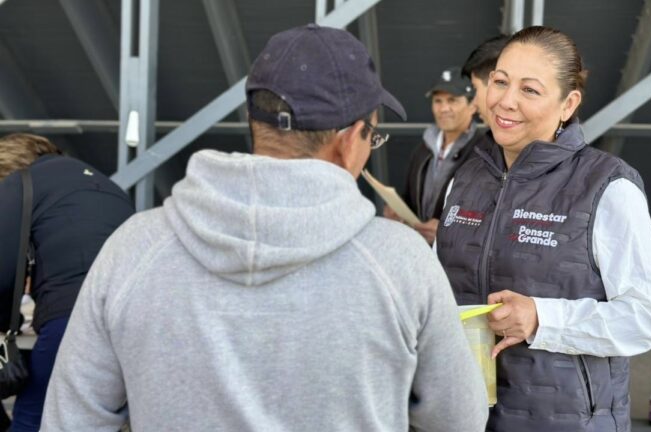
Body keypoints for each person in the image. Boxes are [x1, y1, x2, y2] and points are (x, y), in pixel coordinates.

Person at [41, 24, 488, 432]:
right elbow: (460, 420)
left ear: (256, 121)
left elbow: (70, 420)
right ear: (350, 139)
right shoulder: (401, 263)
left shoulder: (133, 248)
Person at [436, 26, 651, 431]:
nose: (506, 101)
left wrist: (541, 318)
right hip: (466, 416)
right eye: (500, 82)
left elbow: (647, 317)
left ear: (568, 104)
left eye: (529, 90)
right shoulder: (466, 178)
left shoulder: (606, 185)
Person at [0, 133, 134, 432]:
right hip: (136, 322)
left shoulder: (22, 182)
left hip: (72, 319)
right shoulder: (107, 187)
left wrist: (7, 326)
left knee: (33, 419)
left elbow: (3, 269)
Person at [390, 67, 477, 245]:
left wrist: (447, 233)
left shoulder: (483, 152)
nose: (443, 109)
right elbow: (410, 198)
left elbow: (489, 216)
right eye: (438, 101)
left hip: (456, 255)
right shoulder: (423, 148)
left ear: (473, 106)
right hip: (419, 250)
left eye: (452, 100)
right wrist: (397, 212)